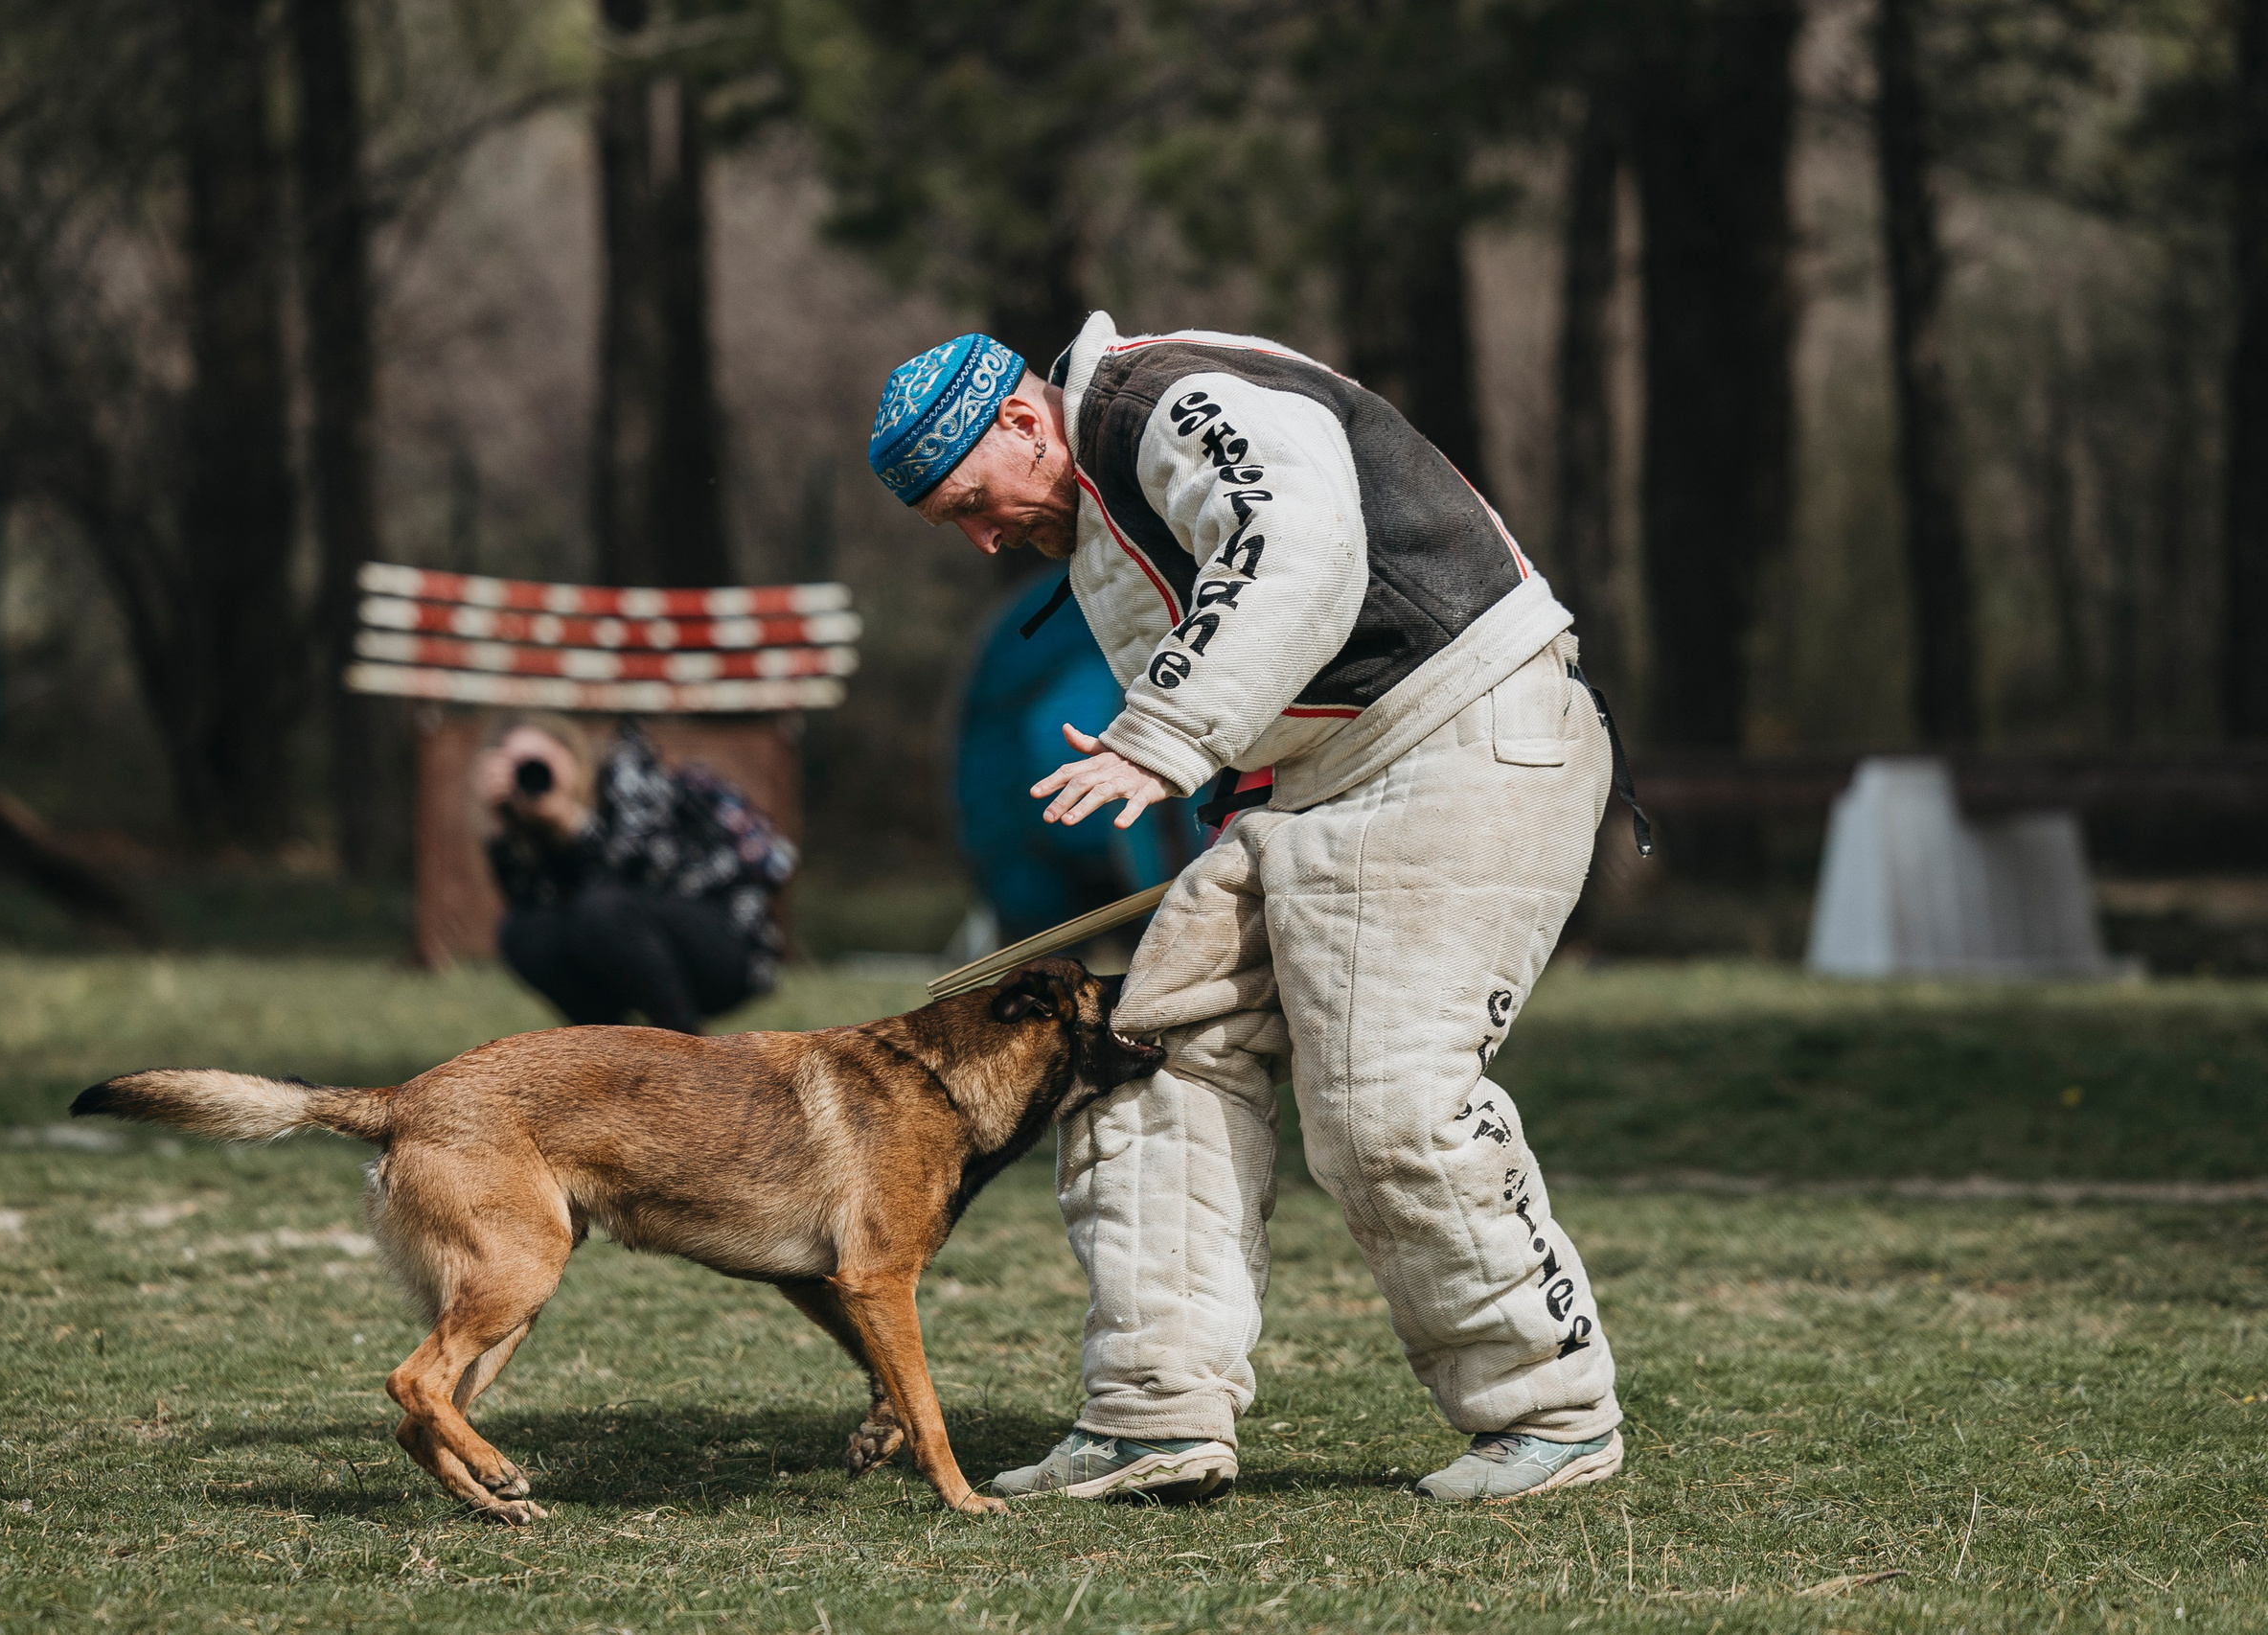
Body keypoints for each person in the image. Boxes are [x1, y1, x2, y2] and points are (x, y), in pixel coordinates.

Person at [868, 321, 1636, 1504]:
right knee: (1143, 1058)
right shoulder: (1099, 491)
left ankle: (1552, 1411)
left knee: (1385, 1102)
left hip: (1464, 734)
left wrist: (1164, 738)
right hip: (1319, 788)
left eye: (975, 502)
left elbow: (1298, 545)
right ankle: (1153, 1416)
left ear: (1024, 422)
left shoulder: (1166, 401)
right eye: (953, 528)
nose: (984, 540)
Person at [476, 714, 794, 1035]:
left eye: (538, 760)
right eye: (516, 767)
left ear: (569, 751)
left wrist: (571, 821)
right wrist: (506, 826)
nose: (532, 774)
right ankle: (613, 1055)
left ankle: (688, 1053)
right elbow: (529, 906)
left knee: (601, 909)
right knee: (523, 932)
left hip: (722, 943)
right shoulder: (525, 823)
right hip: (625, 952)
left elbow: (648, 870)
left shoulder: (628, 774)